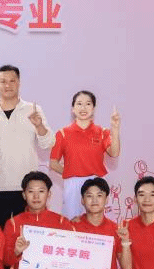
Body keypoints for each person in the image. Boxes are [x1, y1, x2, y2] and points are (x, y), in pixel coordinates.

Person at [0, 66, 55, 229]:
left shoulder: (33, 110)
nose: (7, 85)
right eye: (3, 81)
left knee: (26, 237)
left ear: (19, 83)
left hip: (26, 189)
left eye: (12, 81)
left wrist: (39, 126)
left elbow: (48, 143)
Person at [49, 91, 121, 220]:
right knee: (72, 222)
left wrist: (115, 130)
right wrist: (72, 173)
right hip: (73, 185)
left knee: (98, 223)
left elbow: (114, 153)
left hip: (97, 184)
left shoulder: (102, 132)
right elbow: (53, 163)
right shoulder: (62, 134)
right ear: (73, 108)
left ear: (93, 108)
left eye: (88, 104)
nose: (83, 108)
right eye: (79, 104)